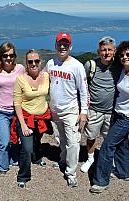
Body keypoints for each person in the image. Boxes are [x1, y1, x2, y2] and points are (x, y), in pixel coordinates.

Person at [90, 41, 129, 193]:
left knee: (107, 146)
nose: (125, 57)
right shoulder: (124, 71)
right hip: (117, 113)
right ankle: (123, 172)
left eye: (128, 54)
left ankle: (101, 181)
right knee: (121, 144)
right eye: (123, 55)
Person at [44, 32, 89, 187]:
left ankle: (71, 172)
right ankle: (63, 160)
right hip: (55, 110)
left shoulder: (77, 66)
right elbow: (43, 81)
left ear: (70, 46)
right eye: (60, 44)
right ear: (55, 46)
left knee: (73, 142)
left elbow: (84, 90)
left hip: (71, 110)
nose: (62, 46)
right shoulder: (50, 63)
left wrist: (84, 111)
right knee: (60, 139)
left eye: (66, 44)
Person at [80, 36, 122, 173]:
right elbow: (82, 85)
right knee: (91, 137)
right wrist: (83, 110)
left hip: (111, 111)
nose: (106, 53)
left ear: (114, 51)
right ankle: (90, 158)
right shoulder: (91, 65)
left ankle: (109, 158)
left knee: (109, 138)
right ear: (98, 51)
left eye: (110, 50)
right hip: (94, 110)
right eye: (104, 50)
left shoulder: (119, 66)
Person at [12, 49, 51, 188]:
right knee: (27, 147)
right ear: (26, 64)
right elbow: (17, 103)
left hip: (42, 117)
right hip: (26, 118)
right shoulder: (21, 79)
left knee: (37, 140)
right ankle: (23, 175)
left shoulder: (46, 76)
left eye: (36, 61)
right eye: (30, 61)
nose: (33, 64)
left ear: (40, 62)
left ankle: (37, 158)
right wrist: (22, 125)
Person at [0, 42, 25, 174]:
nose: (8, 58)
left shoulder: (20, 69)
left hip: (17, 111)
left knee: (15, 139)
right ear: (1, 56)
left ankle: (14, 159)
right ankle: (3, 166)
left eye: (11, 55)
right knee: (4, 141)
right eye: (5, 55)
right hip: (1, 111)